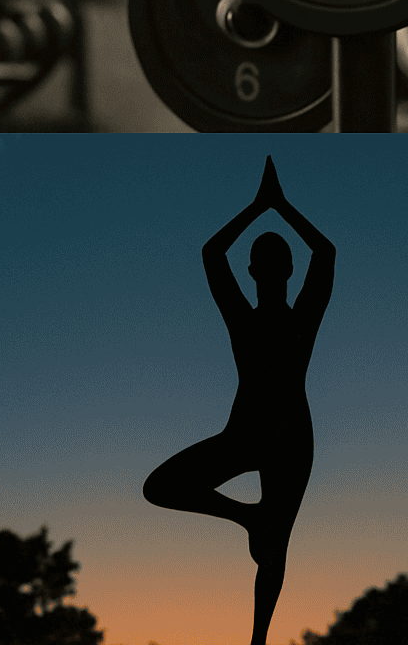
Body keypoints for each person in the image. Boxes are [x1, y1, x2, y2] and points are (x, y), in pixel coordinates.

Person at [142, 156, 334, 645]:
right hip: (252, 432)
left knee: (276, 549)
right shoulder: (251, 317)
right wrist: (272, 207)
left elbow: (216, 253)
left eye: (274, 261)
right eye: (266, 261)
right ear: (259, 270)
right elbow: (321, 252)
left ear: (278, 269)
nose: (270, 268)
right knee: (162, 487)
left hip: (286, 435)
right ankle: (249, 516)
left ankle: (257, 642)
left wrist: (267, 207)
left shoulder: (289, 318)